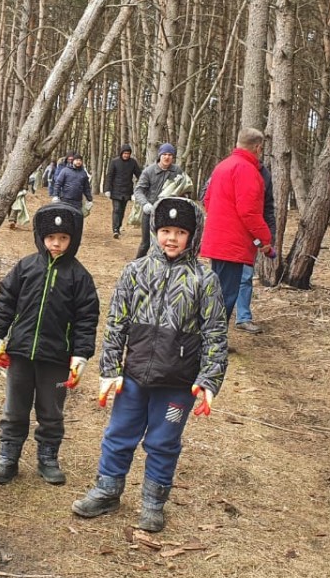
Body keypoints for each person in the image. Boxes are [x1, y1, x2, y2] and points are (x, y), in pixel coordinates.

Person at [72, 197, 228, 532]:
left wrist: (209, 379)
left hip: (178, 384)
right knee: (119, 434)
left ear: (193, 235)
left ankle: (153, 503)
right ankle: (107, 490)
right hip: (133, 377)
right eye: (166, 230)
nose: (172, 238)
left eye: (181, 232)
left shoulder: (204, 279)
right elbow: (116, 323)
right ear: (155, 231)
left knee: (162, 442)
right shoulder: (136, 271)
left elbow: (215, 333)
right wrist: (110, 370)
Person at [0, 203, 100, 486]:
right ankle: (8, 456)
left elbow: (87, 319)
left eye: (63, 238)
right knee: (14, 410)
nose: (56, 244)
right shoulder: (25, 268)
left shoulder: (80, 277)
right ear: (41, 237)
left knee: (51, 412)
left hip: (57, 359)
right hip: (20, 353)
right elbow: (5, 302)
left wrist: (81, 355)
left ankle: (48, 457)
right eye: (50, 237)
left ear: (73, 239)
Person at [202, 128, 274, 335]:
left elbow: (207, 200)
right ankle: (213, 341)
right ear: (258, 148)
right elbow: (249, 211)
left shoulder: (222, 166)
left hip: (218, 240)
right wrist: (265, 238)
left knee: (217, 291)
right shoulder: (248, 170)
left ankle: (212, 338)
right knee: (226, 294)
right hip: (232, 244)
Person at [132, 143, 194, 258]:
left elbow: (185, 188)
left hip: (168, 214)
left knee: (165, 244)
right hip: (150, 212)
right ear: (160, 155)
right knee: (145, 244)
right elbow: (139, 190)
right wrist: (145, 204)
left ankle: (163, 266)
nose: (167, 157)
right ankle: (136, 265)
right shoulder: (149, 171)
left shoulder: (177, 171)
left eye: (170, 155)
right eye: (164, 154)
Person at [105, 144, 141, 239]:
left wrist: (140, 188)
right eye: (125, 153)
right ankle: (115, 230)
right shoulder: (114, 162)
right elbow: (109, 176)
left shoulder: (133, 163)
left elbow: (139, 175)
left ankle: (119, 226)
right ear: (121, 153)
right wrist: (107, 189)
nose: (126, 155)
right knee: (116, 209)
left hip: (127, 190)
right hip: (115, 190)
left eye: (128, 153)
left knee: (122, 210)